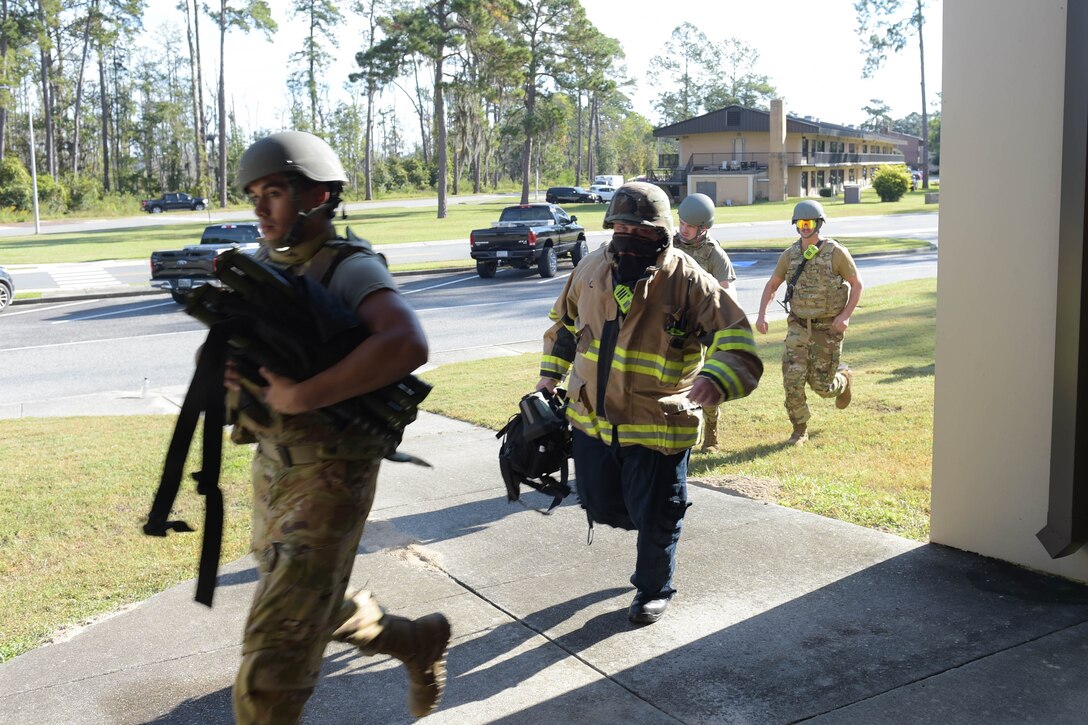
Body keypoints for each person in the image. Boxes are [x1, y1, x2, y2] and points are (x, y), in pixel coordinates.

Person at [226, 131, 450, 722]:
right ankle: (412, 641)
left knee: (270, 667)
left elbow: (406, 341)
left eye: (274, 192)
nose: (259, 206)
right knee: (313, 606)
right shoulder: (265, 268)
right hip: (273, 469)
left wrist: (299, 396)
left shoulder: (348, 267)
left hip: (330, 477)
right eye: (254, 193)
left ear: (318, 196)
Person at [536, 182, 763, 625]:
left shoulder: (689, 280)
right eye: (620, 226)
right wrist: (550, 375)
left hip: (657, 427)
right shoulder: (588, 270)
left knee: (658, 514)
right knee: (599, 505)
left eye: (638, 229)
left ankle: (653, 586)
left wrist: (717, 377)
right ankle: (646, 525)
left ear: (660, 232)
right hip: (593, 423)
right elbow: (563, 327)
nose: (627, 235)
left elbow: (737, 341)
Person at [754, 199, 864, 445]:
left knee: (822, 386)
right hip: (798, 326)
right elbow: (773, 285)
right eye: (800, 223)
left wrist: (844, 317)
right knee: (792, 378)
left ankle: (843, 379)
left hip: (827, 328)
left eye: (809, 223)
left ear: (818, 224)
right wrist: (762, 314)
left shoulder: (835, 253)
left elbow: (857, 285)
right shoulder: (790, 255)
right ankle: (799, 429)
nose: (804, 227)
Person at [673, 192, 738, 452]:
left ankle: (711, 431)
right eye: (681, 223)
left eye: (689, 226)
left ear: (704, 228)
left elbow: (727, 293)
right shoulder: (670, 244)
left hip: (703, 330)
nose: (683, 230)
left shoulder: (714, 254)